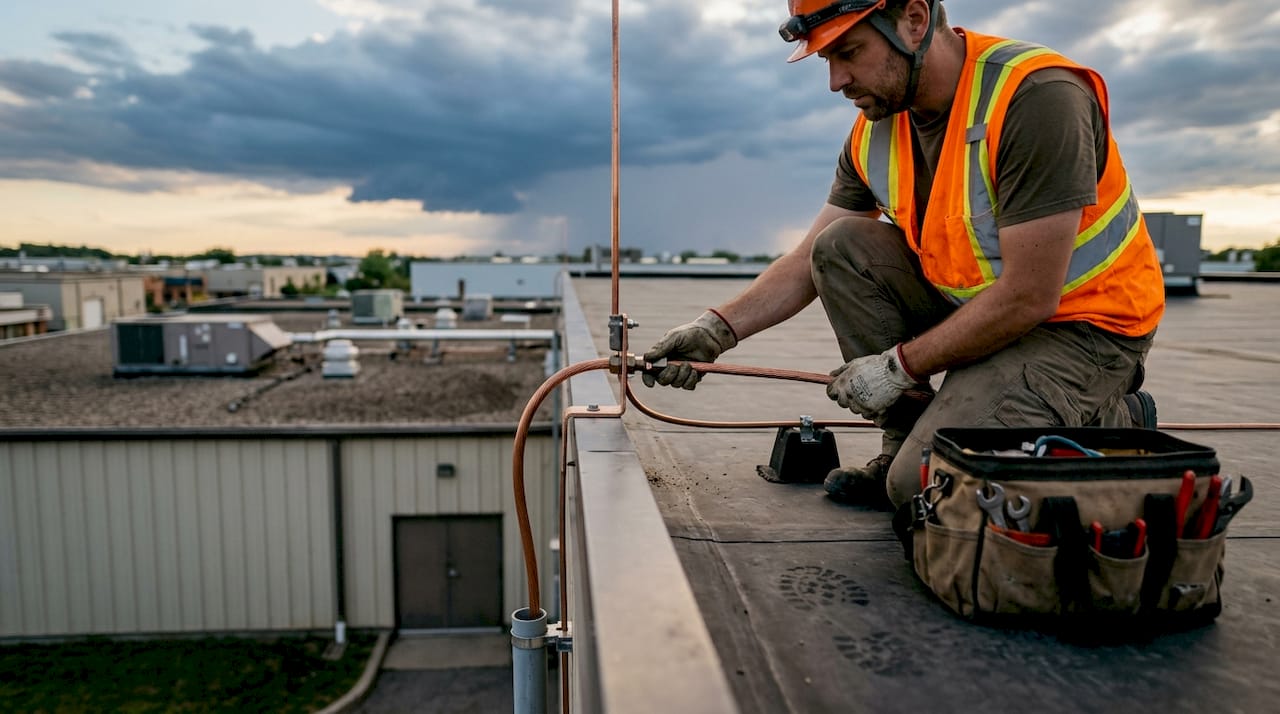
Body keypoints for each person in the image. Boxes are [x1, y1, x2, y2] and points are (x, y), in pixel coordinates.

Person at [641, 0, 1164, 510]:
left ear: (913, 21)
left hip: (1083, 328)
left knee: (924, 488)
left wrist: (898, 367)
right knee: (841, 244)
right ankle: (903, 445)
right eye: (827, 60)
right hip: (982, 310)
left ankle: (1109, 416)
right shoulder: (877, 127)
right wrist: (716, 330)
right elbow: (809, 261)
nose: (835, 81)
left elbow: (1029, 295)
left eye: (849, 51)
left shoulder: (1035, 97)